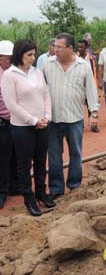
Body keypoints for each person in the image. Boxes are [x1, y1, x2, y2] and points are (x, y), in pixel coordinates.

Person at [1, 40, 55, 216]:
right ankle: (29, 199)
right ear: (19, 55)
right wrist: (33, 120)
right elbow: (11, 104)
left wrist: (47, 116)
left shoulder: (36, 72)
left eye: (34, 54)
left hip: (42, 124)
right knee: (24, 165)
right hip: (23, 127)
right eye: (29, 55)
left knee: (41, 161)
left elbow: (46, 94)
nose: (33, 58)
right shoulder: (10, 75)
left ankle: (42, 193)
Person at [43, 33, 99, 198]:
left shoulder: (83, 66)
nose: (56, 50)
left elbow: (91, 90)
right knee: (54, 155)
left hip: (74, 118)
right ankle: (56, 188)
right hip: (52, 119)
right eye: (55, 46)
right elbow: (40, 88)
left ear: (70, 48)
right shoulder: (47, 64)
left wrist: (94, 113)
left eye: (59, 47)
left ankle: (74, 186)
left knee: (76, 153)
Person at [0, 40, 17, 209]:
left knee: (15, 156)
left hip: (15, 122)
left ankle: (13, 186)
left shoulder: (13, 73)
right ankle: (2, 191)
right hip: (2, 122)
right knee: (2, 159)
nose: (11, 61)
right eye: (8, 58)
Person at [77, 39, 100, 133]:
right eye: (78, 47)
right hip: (78, 87)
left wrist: (95, 85)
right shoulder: (74, 58)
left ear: (86, 47)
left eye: (81, 47)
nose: (79, 49)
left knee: (92, 105)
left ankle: (94, 125)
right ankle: (79, 126)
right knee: (78, 106)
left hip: (90, 86)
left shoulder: (91, 58)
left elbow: (95, 72)